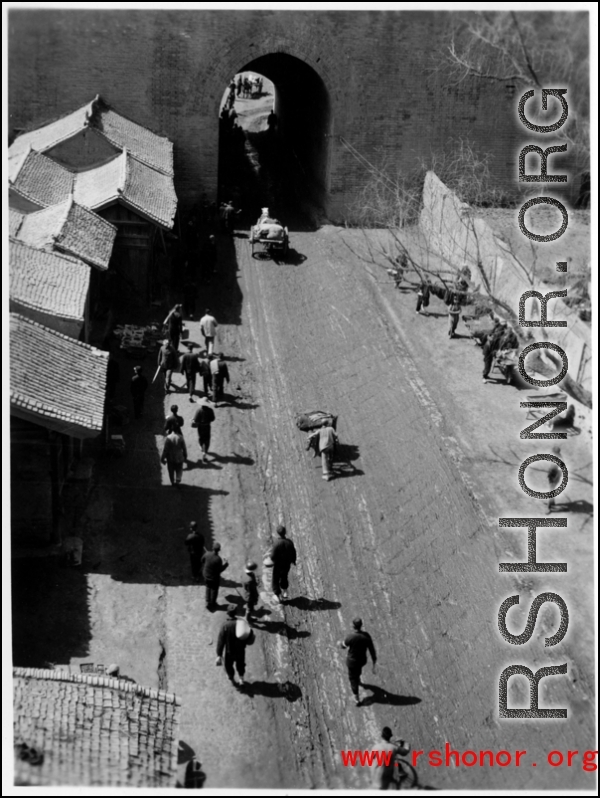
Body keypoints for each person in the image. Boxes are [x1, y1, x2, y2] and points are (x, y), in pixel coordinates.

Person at [340, 618, 377, 706]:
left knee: (353, 680)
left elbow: (343, 646)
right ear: (361, 625)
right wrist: (374, 662)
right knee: (358, 670)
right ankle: (359, 679)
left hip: (352, 662)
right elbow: (372, 650)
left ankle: (357, 700)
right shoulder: (366, 636)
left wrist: (339, 643)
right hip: (361, 661)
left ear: (353, 626)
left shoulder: (351, 637)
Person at [216, 605, 255, 687]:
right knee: (241, 664)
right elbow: (249, 634)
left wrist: (219, 654)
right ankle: (241, 679)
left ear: (227, 613)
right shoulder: (241, 623)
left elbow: (220, 641)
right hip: (240, 650)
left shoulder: (225, 626)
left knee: (228, 665)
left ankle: (231, 677)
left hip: (229, 651)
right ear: (236, 613)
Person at [270, 525, 297, 603]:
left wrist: (272, 560)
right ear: (285, 532)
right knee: (284, 577)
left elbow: (272, 556)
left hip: (278, 566)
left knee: (275, 580)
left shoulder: (277, 543)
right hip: (286, 565)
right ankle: (285, 593)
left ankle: (277, 595)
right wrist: (293, 561)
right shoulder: (289, 542)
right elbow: (294, 553)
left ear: (277, 533)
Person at [200, 542, 229, 610]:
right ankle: (212, 604)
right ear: (219, 550)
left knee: (208, 587)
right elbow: (220, 570)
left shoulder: (207, 554)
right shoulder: (218, 559)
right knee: (214, 590)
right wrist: (226, 564)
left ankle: (207, 602)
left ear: (212, 548)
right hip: (213, 578)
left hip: (206, 575)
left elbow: (202, 560)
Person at [191, 396, 216, 462]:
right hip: (207, 426)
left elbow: (196, 419)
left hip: (200, 427)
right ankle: (205, 450)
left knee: (201, 437)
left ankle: (202, 449)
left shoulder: (199, 410)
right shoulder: (210, 410)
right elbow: (213, 419)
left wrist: (193, 420)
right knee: (207, 438)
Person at [546, 445, 564, 514]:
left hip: (555, 476)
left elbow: (560, 470)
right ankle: (552, 503)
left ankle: (549, 507)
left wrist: (556, 478)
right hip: (551, 474)